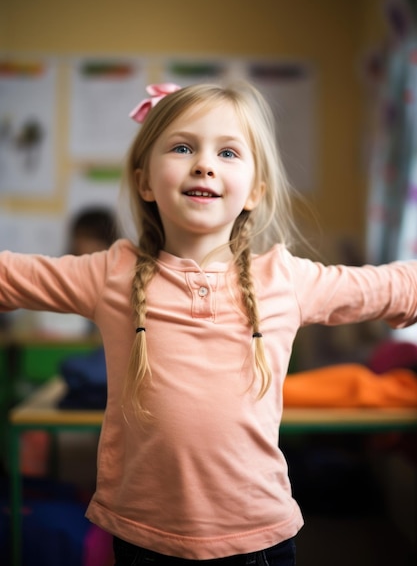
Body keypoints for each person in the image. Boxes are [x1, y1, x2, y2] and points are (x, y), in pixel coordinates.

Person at [1, 81, 417, 566]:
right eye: (182, 147)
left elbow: (394, 287)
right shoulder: (110, 274)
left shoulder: (284, 279)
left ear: (255, 192)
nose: (204, 163)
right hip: (143, 539)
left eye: (227, 152)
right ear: (144, 182)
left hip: (260, 540)